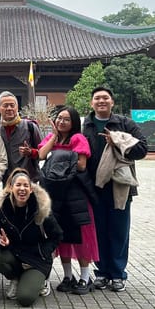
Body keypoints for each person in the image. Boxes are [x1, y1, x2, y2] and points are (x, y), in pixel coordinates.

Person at [82, 87, 148, 293]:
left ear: (112, 101)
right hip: (95, 187)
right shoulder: (87, 125)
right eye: (97, 98)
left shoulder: (125, 123)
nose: (101, 101)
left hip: (119, 187)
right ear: (92, 103)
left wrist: (119, 143)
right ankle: (102, 272)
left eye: (105, 98)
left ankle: (118, 273)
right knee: (99, 231)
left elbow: (142, 149)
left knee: (119, 230)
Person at [37, 106, 99, 295]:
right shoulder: (52, 138)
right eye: (59, 118)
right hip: (55, 192)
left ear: (73, 123)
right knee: (61, 235)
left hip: (75, 192)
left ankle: (85, 278)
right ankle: (67, 276)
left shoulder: (77, 139)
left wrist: (55, 158)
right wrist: (55, 138)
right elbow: (41, 155)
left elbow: (81, 165)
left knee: (81, 235)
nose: (62, 122)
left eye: (66, 119)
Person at [0, 169, 62, 307]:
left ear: (31, 189)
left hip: (36, 259)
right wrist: (1, 242)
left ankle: (41, 282)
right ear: (10, 187)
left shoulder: (40, 208)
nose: (22, 189)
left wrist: (42, 252)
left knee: (25, 299)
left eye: (26, 186)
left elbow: (57, 235)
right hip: (15, 254)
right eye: (18, 185)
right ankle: (16, 278)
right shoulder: (2, 208)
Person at [0, 91, 42, 182]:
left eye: (12, 105)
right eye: (5, 105)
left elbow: (43, 153)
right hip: (7, 182)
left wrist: (31, 152)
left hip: (29, 180)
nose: (9, 108)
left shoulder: (30, 127)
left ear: (17, 107)